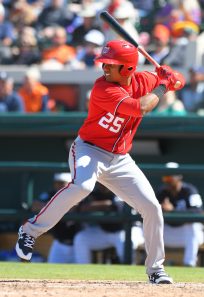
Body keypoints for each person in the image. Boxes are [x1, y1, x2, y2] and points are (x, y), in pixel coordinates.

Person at [15, 39, 185, 284]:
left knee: (152, 207)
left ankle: (156, 269)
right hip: (89, 150)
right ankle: (29, 231)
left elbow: (179, 80)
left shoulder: (144, 80)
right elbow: (141, 108)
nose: (105, 68)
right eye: (104, 63)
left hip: (120, 159)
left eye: (111, 64)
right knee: (83, 186)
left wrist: (170, 77)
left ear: (127, 68)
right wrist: (163, 85)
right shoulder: (103, 88)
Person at [32, 172, 81, 263]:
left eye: (62, 183)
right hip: (59, 242)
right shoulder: (50, 194)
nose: (59, 185)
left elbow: (74, 208)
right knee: (50, 271)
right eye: (57, 183)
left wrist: (50, 207)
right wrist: (58, 206)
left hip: (78, 244)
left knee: (83, 273)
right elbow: (35, 205)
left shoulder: (77, 194)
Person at [156, 172, 204, 267]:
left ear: (178, 178)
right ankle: (151, 263)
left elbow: (198, 211)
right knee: (152, 226)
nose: (168, 182)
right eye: (166, 179)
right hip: (168, 232)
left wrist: (173, 210)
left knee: (192, 225)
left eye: (170, 179)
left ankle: (189, 264)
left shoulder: (189, 190)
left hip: (188, 235)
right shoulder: (162, 192)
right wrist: (160, 208)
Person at [73, 182, 124, 264]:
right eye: (101, 183)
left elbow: (115, 206)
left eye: (105, 182)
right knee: (81, 238)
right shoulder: (94, 194)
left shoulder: (122, 190)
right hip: (104, 231)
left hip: (128, 231)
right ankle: (83, 272)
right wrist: (104, 205)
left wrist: (104, 205)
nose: (103, 185)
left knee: (124, 245)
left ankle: (129, 274)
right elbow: (81, 207)